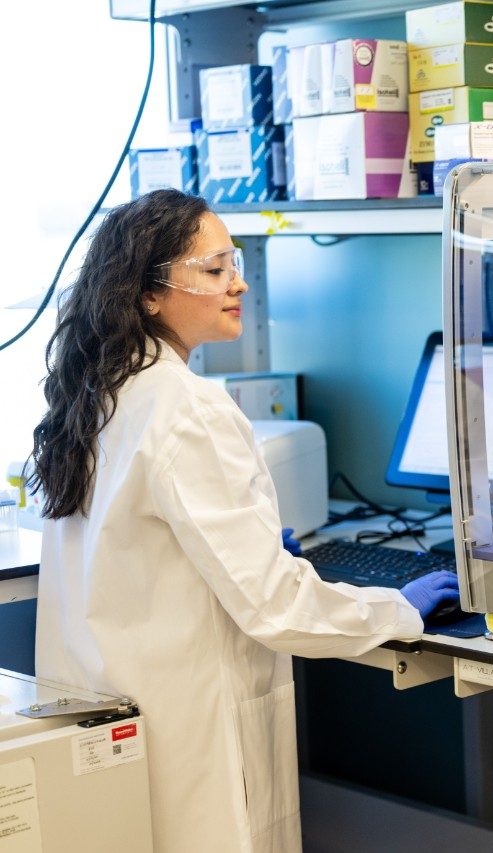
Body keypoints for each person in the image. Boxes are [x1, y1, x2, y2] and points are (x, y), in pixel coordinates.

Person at [30, 189, 460, 853]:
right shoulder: (187, 407)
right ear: (148, 294)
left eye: (235, 263)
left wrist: (251, 549)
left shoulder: (99, 390)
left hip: (123, 731)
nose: (239, 283)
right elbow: (274, 607)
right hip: (191, 741)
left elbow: (135, 552)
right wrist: (397, 609)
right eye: (214, 269)